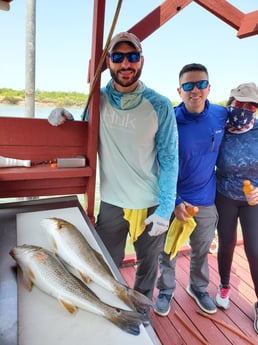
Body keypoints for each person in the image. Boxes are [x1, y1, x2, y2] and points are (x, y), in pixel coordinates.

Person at [48, 32, 179, 301]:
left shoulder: (160, 105)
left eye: (133, 57)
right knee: (106, 262)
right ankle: (108, 304)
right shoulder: (99, 100)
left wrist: (166, 208)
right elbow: (85, 132)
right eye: (118, 57)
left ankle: (142, 310)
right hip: (112, 202)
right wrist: (66, 118)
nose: (126, 64)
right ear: (108, 62)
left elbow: (169, 158)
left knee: (147, 266)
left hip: (150, 202)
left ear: (142, 60)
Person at [154, 63, 228, 316]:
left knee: (201, 248)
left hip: (206, 199)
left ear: (209, 87)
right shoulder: (169, 120)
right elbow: (157, 162)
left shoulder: (221, 115)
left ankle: (197, 288)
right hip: (172, 198)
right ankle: (165, 290)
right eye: (188, 85)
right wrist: (174, 199)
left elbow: (250, 126)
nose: (195, 90)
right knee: (168, 250)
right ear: (179, 90)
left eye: (200, 84)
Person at [214, 82, 258, 333]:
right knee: (227, 243)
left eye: (251, 105)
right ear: (230, 103)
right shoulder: (221, 128)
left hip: (253, 199)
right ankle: (224, 284)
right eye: (239, 104)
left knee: (255, 249)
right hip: (225, 195)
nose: (244, 109)